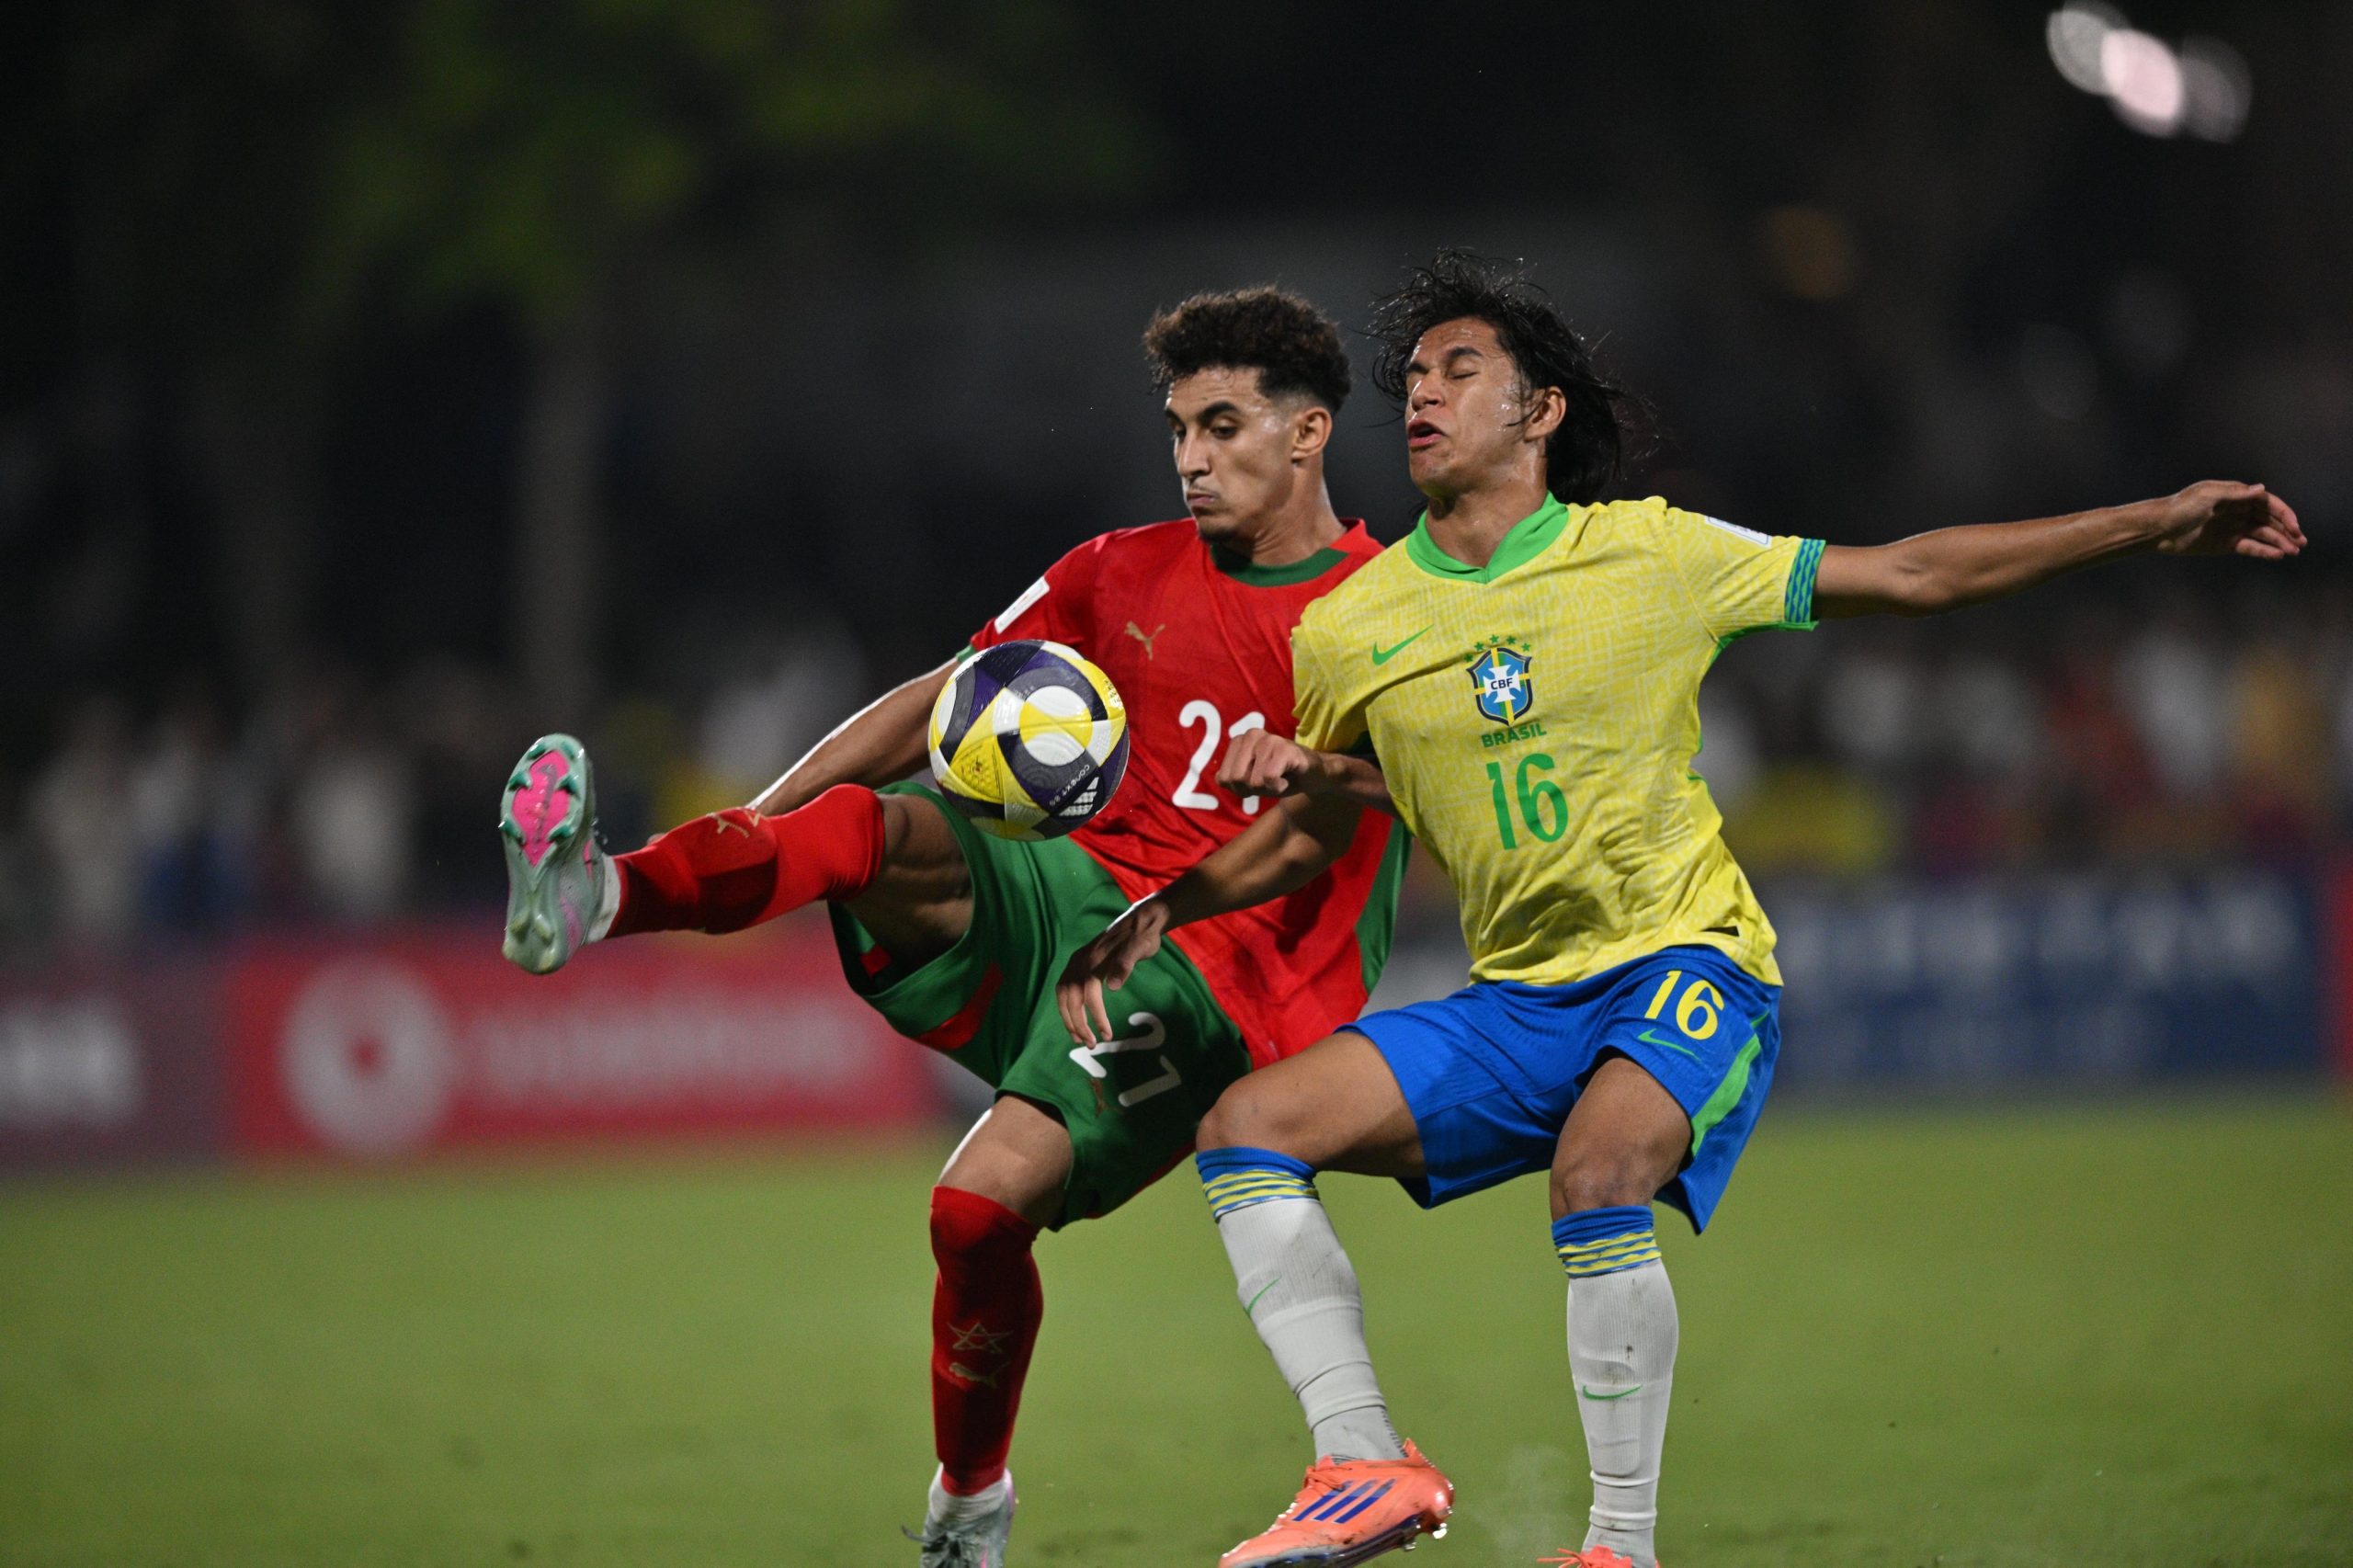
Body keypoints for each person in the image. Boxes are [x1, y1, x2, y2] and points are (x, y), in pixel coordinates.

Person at [1057, 250, 2303, 1568]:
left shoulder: (1655, 552)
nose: (1419, 394)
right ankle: (1364, 1456)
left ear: (1538, 411)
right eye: (1410, 378)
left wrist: (2155, 517)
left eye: (1458, 369)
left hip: (1685, 960)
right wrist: (1174, 897)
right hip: (1519, 999)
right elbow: (1345, 817)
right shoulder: (1354, 626)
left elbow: (1920, 573)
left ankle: (1620, 1548)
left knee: (1600, 1171)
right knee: (1246, 1127)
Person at [497, 287, 1410, 1568]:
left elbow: (1408, 801)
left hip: (1222, 971)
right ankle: (599, 892)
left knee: (976, 1215)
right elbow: (940, 700)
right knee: (866, 827)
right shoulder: (1117, 568)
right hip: (1070, 897)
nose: (1192, 459)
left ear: (1308, 433)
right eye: (1176, 431)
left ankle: (969, 1505)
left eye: (1221, 427)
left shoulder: (1391, 611)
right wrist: (755, 838)